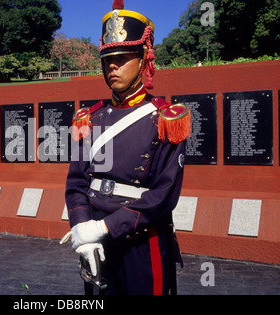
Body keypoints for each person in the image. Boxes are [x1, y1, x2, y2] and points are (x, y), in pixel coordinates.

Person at [64, 0, 191, 295]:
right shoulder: (90, 118)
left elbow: (163, 194)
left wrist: (105, 227)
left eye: (122, 58)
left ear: (144, 58)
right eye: (107, 59)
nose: (112, 66)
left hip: (142, 244)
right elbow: (76, 184)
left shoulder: (165, 118)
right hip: (96, 243)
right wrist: (85, 231)